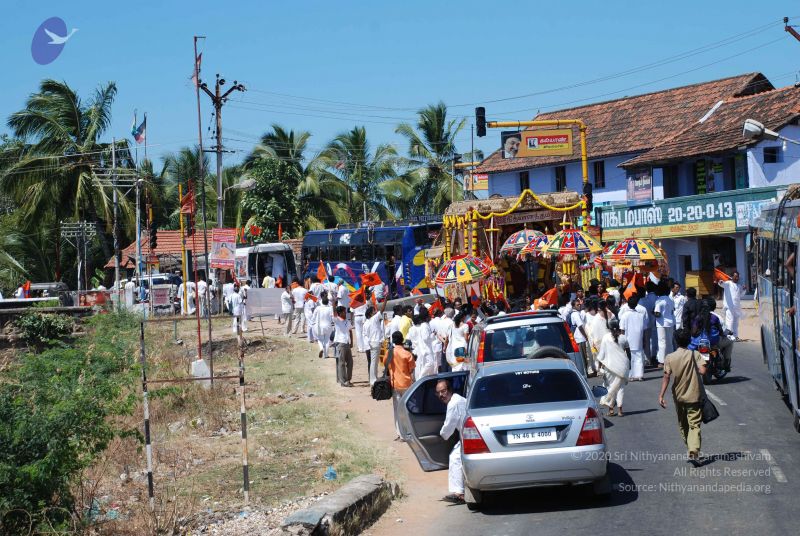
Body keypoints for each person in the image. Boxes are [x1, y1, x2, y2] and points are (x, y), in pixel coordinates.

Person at [658, 328, 708, 461]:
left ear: (676, 341)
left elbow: (666, 377)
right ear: (689, 340)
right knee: (694, 424)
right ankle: (694, 450)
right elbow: (703, 370)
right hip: (694, 395)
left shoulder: (670, 357)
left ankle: (691, 448)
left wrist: (661, 395)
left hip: (679, 397)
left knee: (683, 424)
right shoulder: (695, 354)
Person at [436, 379, 467, 504]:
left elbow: (448, 426)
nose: (441, 395)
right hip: (465, 434)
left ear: (449, 390)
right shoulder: (457, 400)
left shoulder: (453, 404)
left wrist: (441, 435)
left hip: (468, 435)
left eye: (443, 391)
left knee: (455, 457)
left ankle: (459, 493)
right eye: (438, 393)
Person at [596, 318, 630, 417]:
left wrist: (599, 366)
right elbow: (629, 354)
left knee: (611, 387)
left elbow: (601, 354)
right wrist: (629, 367)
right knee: (620, 389)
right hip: (622, 367)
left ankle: (611, 410)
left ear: (609, 328)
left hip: (609, 367)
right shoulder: (624, 338)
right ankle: (620, 410)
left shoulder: (606, 337)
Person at [388, 331, 415, 439]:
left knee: (397, 409)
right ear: (402, 340)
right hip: (407, 384)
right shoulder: (407, 354)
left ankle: (400, 433)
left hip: (395, 384)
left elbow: (386, 363)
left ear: (393, 341)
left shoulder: (390, 353)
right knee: (407, 408)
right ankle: (408, 432)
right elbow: (412, 368)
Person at [620, 294, 646, 381]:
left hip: (628, 339)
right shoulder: (641, 315)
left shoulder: (625, 315)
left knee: (629, 358)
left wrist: (622, 340)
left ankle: (631, 375)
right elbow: (644, 329)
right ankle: (639, 375)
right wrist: (644, 339)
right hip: (638, 339)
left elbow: (622, 330)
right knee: (639, 357)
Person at [654, 282, 676, 368]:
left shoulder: (659, 301)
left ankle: (662, 361)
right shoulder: (670, 299)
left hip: (661, 323)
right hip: (670, 322)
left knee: (662, 342)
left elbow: (657, 313)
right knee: (669, 341)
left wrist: (653, 313)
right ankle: (670, 359)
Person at [364, 303, 386, 386]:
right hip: (375, 343)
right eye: (374, 311)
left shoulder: (366, 323)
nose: (376, 312)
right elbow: (382, 310)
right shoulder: (373, 319)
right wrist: (385, 300)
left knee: (374, 362)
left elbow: (365, 335)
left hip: (372, 343)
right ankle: (373, 380)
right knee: (374, 363)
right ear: (371, 314)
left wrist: (368, 344)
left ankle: (374, 378)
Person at [569, 299, 592, 375]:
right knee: (583, 357)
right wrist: (585, 336)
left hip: (579, 337)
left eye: (579, 305)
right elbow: (580, 326)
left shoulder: (576, 313)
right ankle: (584, 373)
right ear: (573, 306)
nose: (579, 306)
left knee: (583, 356)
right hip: (580, 338)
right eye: (577, 305)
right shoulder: (575, 314)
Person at [333, 306, 353, 386]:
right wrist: (334, 302)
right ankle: (343, 381)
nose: (346, 313)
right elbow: (334, 312)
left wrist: (351, 342)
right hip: (340, 343)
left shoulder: (347, 321)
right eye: (344, 312)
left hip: (347, 343)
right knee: (341, 363)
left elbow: (350, 331)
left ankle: (348, 379)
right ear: (340, 313)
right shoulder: (336, 320)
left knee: (350, 362)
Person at [719, 271, 743, 339]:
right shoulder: (728, 283)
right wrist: (720, 282)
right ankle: (729, 336)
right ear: (732, 277)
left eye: (737, 276)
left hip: (736, 307)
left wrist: (744, 290)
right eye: (735, 276)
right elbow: (722, 284)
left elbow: (741, 295)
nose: (737, 278)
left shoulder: (739, 286)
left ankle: (735, 336)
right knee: (730, 321)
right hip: (729, 307)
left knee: (736, 322)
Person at [640, 282, 658, 365]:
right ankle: (654, 356)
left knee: (647, 341)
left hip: (646, 323)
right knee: (654, 340)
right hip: (655, 321)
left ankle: (648, 358)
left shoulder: (643, 300)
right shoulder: (657, 298)